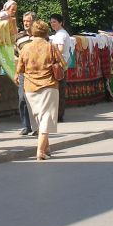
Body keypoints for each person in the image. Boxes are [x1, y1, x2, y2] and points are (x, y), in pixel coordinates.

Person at [16, 20, 62, 161]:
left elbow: (19, 69)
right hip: (48, 85)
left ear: (32, 32)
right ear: (46, 32)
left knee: (39, 118)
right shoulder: (51, 47)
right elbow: (62, 64)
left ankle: (46, 148)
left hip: (30, 87)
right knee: (46, 118)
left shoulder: (25, 48)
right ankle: (40, 151)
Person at [14, 11, 37, 135]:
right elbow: (16, 56)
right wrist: (16, 73)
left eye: (28, 21)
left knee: (36, 99)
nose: (26, 23)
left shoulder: (40, 36)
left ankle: (37, 126)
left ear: (34, 21)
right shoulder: (19, 37)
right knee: (22, 98)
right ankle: (26, 125)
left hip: (37, 73)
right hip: (23, 72)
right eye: (24, 21)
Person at [49, 14, 72, 121]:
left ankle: (58, 115)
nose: (52, 24)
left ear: (61, 22)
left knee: (58, 90)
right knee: (58, 90)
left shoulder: (61, 35)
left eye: (54, 22)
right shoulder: (60, 34)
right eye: (51, 22)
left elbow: (60, 50)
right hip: (60, 65)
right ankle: (58, 114)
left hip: (59, 65)